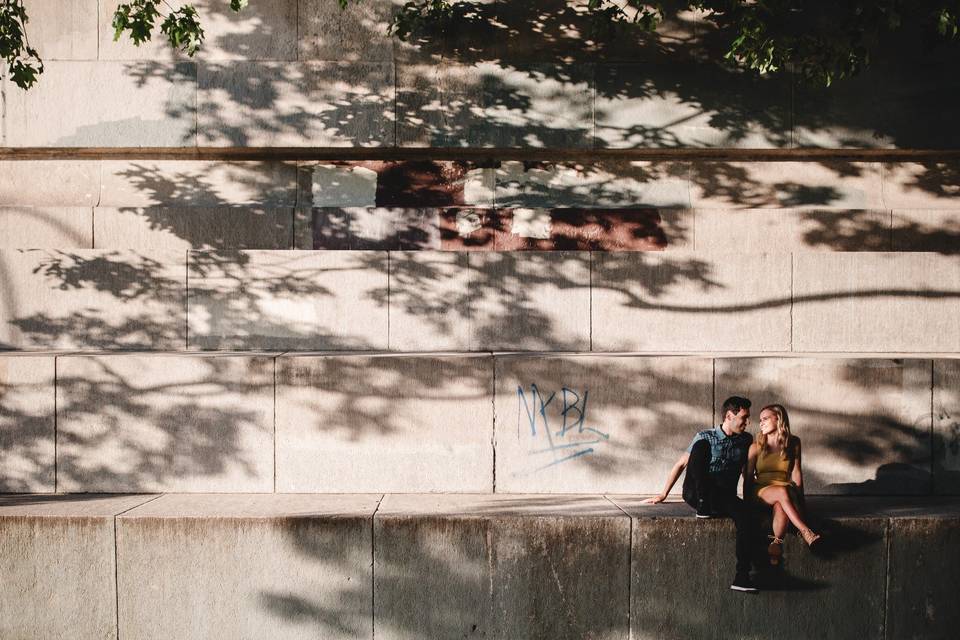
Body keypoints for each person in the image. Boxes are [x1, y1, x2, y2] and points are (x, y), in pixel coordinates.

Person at [643, 396, 761, 593]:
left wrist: (748, 502)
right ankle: (703, 501)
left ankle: (741, 577)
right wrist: (663, 494)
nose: (747, 422)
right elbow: (681, 464)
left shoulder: (746, 440)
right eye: (744, 417)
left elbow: (746, 474)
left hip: (723, 496)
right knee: (701, 447)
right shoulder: (705, 435)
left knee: (745, 517)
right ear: (729, 416)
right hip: (695, 492)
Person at [745, 404, 821, 567]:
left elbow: (796, 474)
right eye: (760, 420)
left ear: (778, 418)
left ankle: (776, 544)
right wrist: (746, 505)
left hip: (785, 490)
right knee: (781, 492)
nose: (761, 423)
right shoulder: (755, 446)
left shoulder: (794, 442)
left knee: (781, 503)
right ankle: (805, 531)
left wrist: (801, 503)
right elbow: (748, 478)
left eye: (765, 419)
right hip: (761, 491)